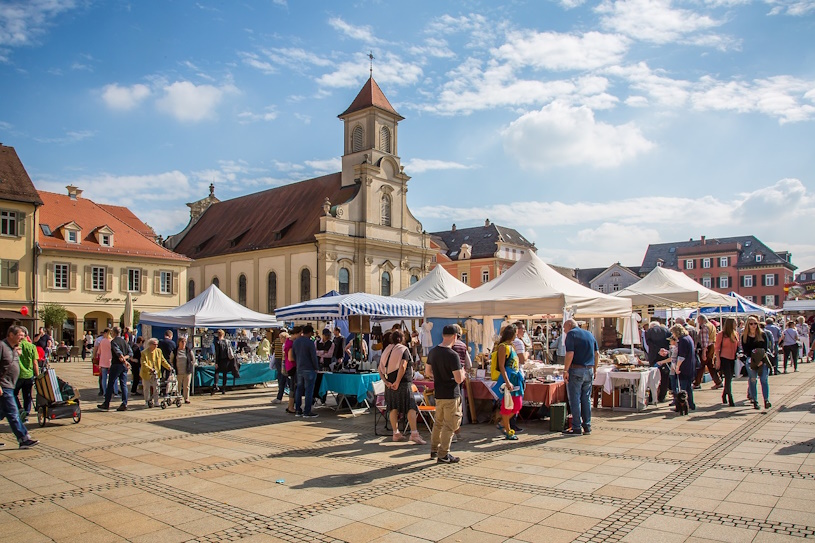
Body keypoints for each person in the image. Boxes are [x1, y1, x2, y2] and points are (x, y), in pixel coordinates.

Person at [425, 325, 465, 463]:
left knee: (438, 423)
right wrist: (463, 374)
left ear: (443, 335)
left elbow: (427, 372)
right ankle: (443, 454)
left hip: (439, 392)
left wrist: (438, 377)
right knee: (450, 424)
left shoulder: (433, 352)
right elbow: (459, 379)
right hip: (451, 393)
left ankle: (434, 450)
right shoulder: (453, 355)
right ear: (455, 336)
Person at [379, 329, 425, 444]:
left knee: (393, 407)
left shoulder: (386, 350)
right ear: (403, 338)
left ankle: (396, 433)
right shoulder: (403, 349)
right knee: (410, 407)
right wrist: (398, 382)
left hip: (390, 383)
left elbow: (380, 369)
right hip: (403, 383)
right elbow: (403, 366)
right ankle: (414, 434)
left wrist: (386, 381)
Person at [0, 326, 39, 448]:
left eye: (23, 335)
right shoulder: (2, 346)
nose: (22, 338)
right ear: (11, 335)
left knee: (2, 413)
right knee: (13, 413)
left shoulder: (14, 348)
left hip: (10, 385)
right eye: (20, 335)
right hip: (4, 386)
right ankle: (24, 439)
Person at [563, 319, 598, 435]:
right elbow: (597, 353)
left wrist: (565, 370)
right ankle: (587, 426)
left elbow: (570, 353)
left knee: (575, 399)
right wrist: (595, 369)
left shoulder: (571, 334)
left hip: (576, 369)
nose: (564, 330)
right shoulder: (589, 334)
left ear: (569, 325)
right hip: (589, 369)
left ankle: (576, 426)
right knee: (586, 399)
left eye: (564, 328)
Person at [492, 324, 525, 440]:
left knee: (517, 405)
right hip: (508, 379)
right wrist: (507, 381)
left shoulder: (512, 346)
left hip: (516, 379)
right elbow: (501, 366)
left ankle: (502, 423)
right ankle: (508, 430)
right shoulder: (503, 346)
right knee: (507, 405)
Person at [98, 327, 132, 412]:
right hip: (123, 366)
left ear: (113, 333)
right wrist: (125, 359)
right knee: (123, 384)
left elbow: (118, 352)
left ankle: (107, 403)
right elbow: (130, 353)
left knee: (111, 384)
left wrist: (124, 360)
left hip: (117, 365)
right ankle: (124, 403)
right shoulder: (124, 341)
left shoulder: (114, 341)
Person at [742, 316, 770, 410]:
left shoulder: (762, 334)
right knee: (753, 380)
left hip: (762, 360)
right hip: (751, 361)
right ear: (748, 325)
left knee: (764, 380)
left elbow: (765, 349)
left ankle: (766, 400)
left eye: (755, 323)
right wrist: (754, 361)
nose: (753, 326)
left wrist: (761, 361)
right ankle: (755, 400)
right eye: (751, 324)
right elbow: (746, 351)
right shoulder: (744, 336)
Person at [450, 324, 472, 441]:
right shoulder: (463, 346)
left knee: (450, 408)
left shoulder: (448, 346)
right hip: (459, 379)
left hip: (448, 379)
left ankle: (453, 432)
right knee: (457, 407)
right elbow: (469, 364)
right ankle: (456, 430)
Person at [293, 324, 319, 418]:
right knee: (309, 390)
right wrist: (316, 367)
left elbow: (294, 355)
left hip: (299, 368)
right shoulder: (310, 342)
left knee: (299, 389)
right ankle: (307, 411)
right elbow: (313, 357)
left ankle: (298, 410)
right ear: (310, 333)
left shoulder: (296, 342)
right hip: (309, 368)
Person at [671, 324, 697, 411]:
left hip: (684, 367)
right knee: (688, 388)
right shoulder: (688, 338)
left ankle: (681, 407)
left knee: (682, 389)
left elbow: (681, 356)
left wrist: (677, 367)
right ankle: (691, 404)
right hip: (690, 366)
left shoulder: (682, 340)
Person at [14, 328, 39, 422]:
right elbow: (35, 363)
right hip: (29, 374)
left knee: (13, 393)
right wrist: (37, 375)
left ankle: (20, 409)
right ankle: (26, 414)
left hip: (18, 375)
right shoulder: (32, 346)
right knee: (27, 395)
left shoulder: (15, 346)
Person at [714, 317, 739, 407]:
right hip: (724, 358)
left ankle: (724, 394)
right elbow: (717, 348)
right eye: (735, 323)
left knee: (729, 378)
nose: (736, 325)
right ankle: (730, 398)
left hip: (733, 358)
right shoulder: (722, 334)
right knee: (728, 378)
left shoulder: (736, 333)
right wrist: (718, 360)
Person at [140, 338, 172, 408]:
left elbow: (163, 360)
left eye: (157, 344)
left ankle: (156, 401)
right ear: (150, 345)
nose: (156, 346)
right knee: (146, 388)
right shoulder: (144, 352)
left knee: (156, 387)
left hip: (156, 372)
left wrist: (168, 367)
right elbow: (143, 363)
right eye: (154, 344)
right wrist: (150, 368)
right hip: (147, 373)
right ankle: (147, 401)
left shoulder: (159, 351)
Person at [645, 320, 672, 402]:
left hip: (654, 356)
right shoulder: (667, 330)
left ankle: (652, 396)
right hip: (665, 356)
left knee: (652, 377)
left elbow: (649, 343)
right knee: (664, 377)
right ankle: (662, 396)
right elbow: (670, 341)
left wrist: (658, 350)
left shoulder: (649, 331)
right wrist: (665, 350)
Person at [695, 315, 721, 390]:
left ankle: (697, 383)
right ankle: (718, 381)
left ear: (701, 320)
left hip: (707, 348)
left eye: (698, 320)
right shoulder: (712, 325)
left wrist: (703, 352)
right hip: (712, 346)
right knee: (710, 365)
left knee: (701, 366)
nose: (698, 322)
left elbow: (704, 341)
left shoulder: (705, 327)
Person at [171, 336, 195, 403]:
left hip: (187, 371)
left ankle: (186, 398)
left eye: (185, 341)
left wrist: (190, 365)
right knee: (178, 385)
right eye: (182, 341)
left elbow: (193, 359)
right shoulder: (175, 351)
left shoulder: (188, 350)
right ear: (179, 342)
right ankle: (177, 398)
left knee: (186, 386)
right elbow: (171, 360)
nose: (184, 343)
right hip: (178, 371)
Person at [93, 329, 115, 397]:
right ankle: (114, 391)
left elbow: (97, 351)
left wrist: (94, 357)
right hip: (111, 360)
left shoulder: (101, 340)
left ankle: (104, 392)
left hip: (102, 360)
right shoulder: (112, 341)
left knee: (103, 377)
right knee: (113, 377)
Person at [212, 330, 233, 395]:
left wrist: (216, 362)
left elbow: (217, 353)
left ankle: (216, 385)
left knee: (217, 372)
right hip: (226, 360)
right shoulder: (227, 342)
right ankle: (223, 389)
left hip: (220, 360)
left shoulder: (217, 342)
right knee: (225, 374)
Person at [284, 327, 299, 413]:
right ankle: (290, 406)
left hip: (289, 366)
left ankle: (290, 405)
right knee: (293, 387)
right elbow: (291, 358)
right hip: (292, 366)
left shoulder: (288, 341)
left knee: (293, 386)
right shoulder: (290, 343)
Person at [271, 331, 288, 405]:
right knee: (283, 379)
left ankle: (280, 397)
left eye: (281, 338)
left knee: (282, 378)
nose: (280, 339)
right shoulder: (285, 343)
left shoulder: (285, 343)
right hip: (282, 361)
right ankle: (280, 396)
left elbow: (273, 350)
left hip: (282, 361)